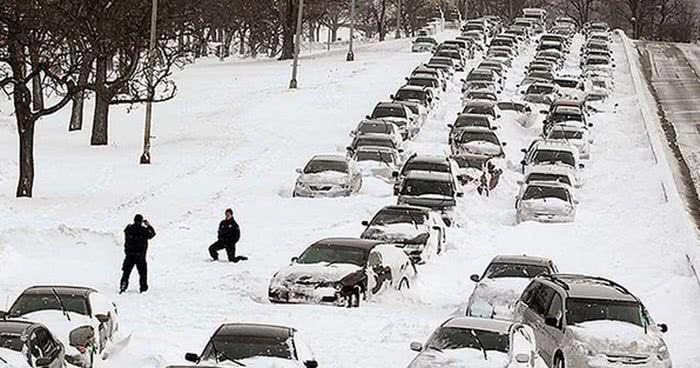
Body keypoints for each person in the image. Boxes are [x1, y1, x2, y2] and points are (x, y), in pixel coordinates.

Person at [120, 214, 156, 294]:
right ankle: (143, 288)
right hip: (140, 255)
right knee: (143, 273)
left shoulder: (129, 229)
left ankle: (123, 285)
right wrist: (148, 225)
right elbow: (152, 234)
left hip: (129, 255)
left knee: (126, 272)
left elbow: (125, 230)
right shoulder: (143, 230)